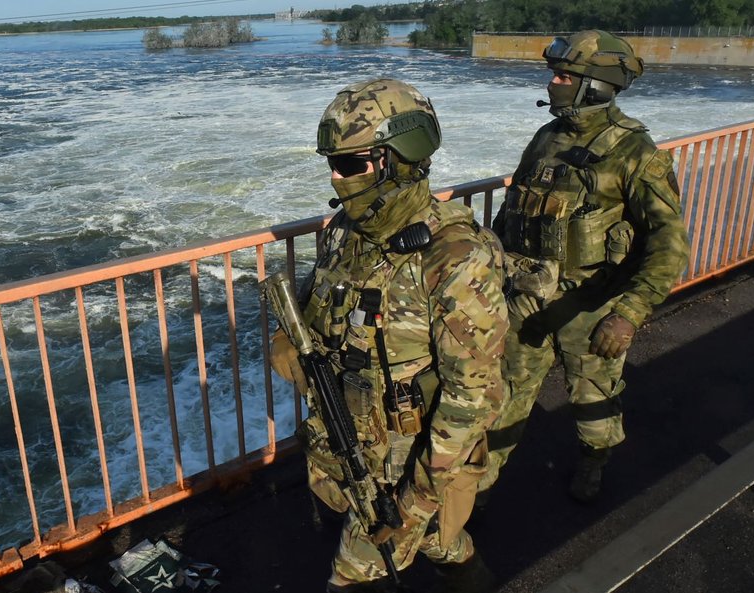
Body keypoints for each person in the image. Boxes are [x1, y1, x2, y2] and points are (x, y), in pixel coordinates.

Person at [270, 78, 508, 593]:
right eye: (332, 163)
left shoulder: (455, 257)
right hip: (348, 441)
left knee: (354, 575)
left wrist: (413, 501)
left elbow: (473, 398)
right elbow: (317, 308)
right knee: (441, 545)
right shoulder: (345, 233)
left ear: (400, 158)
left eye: (352, 165)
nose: (337, 179)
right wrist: (288, 337)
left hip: (412, 467)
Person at [481, 30, 691, 503]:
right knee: (505, 393)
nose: (553, 83)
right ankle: (480, 483)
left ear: (594, 85)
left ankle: (595, 462)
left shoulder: (636, 154)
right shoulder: (547, 137)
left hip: (591, 305)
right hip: (528, 298)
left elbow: (669, 243)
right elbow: (514, 210)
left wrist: (629, 312)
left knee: (593, 396)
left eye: (564, 76)